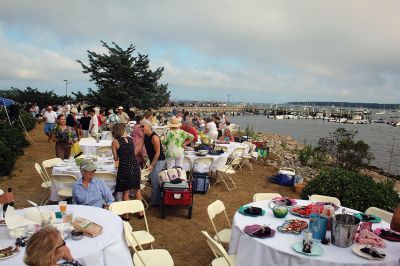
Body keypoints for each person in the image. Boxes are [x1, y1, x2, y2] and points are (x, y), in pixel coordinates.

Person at [112, 123, 142, 220]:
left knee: (126, 192)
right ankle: (140, 212)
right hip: (135, 166)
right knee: (137, 189)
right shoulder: (130, 139)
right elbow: (132, 153)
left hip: (125, 167)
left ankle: (126, 214)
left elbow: (116, 158)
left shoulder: (115, 142)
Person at [137, 119, 166, 206]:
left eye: (143, 126)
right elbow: (139, 146)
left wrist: (152, 165)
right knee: (154, 180)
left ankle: (154, 202)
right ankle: (156, 199)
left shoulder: (154, 137)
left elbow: (158, 153)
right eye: (140, 126)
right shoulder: (145, 135)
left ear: (149, 127)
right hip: (153, 159)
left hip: (159, 160)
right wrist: (131, 153)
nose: (141, 128)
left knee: (154, 180)